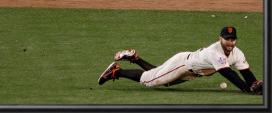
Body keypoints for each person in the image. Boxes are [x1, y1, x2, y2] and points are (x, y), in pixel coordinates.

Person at [98, 26, 264, 95]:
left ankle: (134, 58)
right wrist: (246, 88)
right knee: (149, 80)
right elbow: (229, 74)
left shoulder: (237, 52)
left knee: (158, 74)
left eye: (233, 39)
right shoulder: (216, 52)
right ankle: (116, 72)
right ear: (221, 38)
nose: (230, 42)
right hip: (183, 65)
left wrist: (253, 82)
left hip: (190, 69)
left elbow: (245, 71)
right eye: (227, 39)